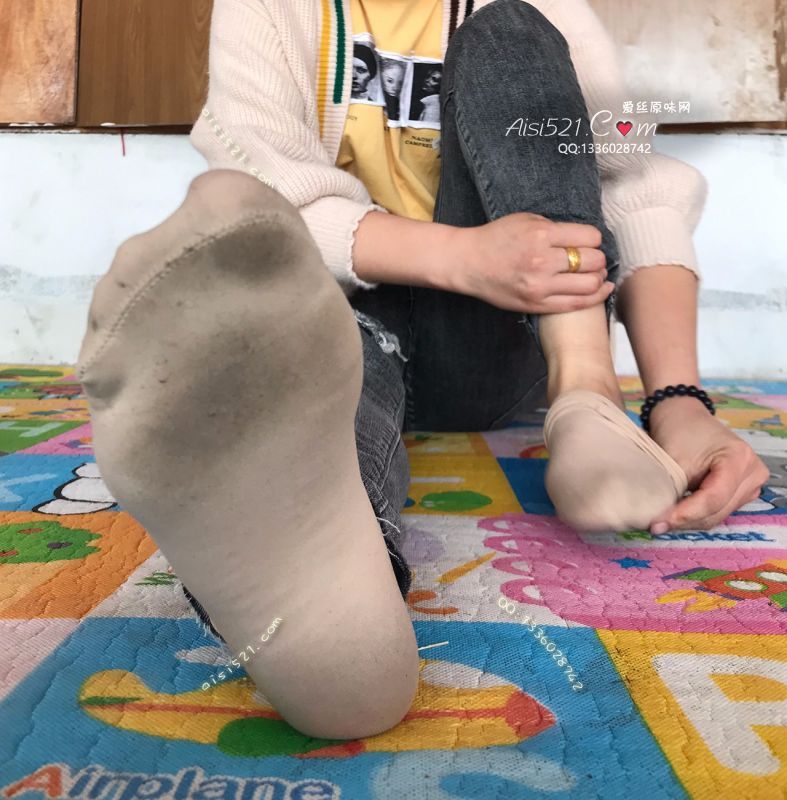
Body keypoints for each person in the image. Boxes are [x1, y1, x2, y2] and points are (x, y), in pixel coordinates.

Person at [76, 0, 769, 743]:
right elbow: (263, 203)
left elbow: (630, 188)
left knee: (511, 31)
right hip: (344, 320)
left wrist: (678, 402)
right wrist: (462, 256)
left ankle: (586, 395)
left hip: (499, 335)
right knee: (309, 386)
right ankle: (341, 633)